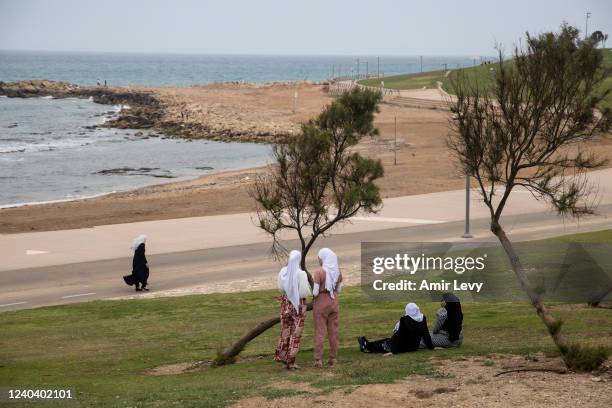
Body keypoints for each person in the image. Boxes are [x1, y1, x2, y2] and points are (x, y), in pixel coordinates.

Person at [274, 250, 311, 370]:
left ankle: (283, 356)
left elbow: (280, 288)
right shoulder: (301, 274)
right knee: (296, 334)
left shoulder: (283, 271)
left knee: (285, 331)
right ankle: (291, 360)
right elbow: (304, 292)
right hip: (298, 305)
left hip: (285, 303)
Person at [358, 303, 434, 355]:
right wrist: (431, 347)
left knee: (384, 344)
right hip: (414, 347)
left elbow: (399, 335)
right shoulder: (422, 318)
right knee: (386, 340)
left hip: (402, 347)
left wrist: (393, 351)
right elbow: (426, 334)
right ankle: (367, 344)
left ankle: (367, 346)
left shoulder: (405, 320)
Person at [313, 248, 343, 367]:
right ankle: (333, 357)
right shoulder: (338, 272)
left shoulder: (319, 272)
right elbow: (339, 290)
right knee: (333, 331)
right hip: (334, 301)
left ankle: (318, 359)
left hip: (321, 301)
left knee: (320, 331)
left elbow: (315, 292)